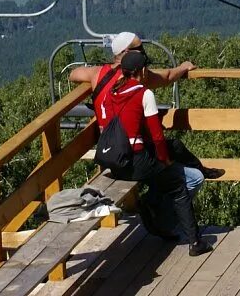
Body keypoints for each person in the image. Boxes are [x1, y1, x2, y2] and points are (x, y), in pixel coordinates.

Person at [70, 32, 223, 197]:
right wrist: (184, 67)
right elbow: (168, 76)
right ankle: (159, 207)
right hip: (134, 154)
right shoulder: (139, 77)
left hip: (110, 153)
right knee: (187, 170)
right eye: (139, 48)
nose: (143, 51)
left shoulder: (97, 74)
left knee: (172, 156)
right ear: (128, 52)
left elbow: (73, 74)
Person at [93, 49, 211, 255]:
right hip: (136, 161)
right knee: (179, 186)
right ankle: (194, 242)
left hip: (114, 162)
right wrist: (164, 160)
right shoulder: (144, 93)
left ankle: (155, 212)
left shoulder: (112, 92)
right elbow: (157, 135)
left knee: (164, 175)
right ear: (143, 71)